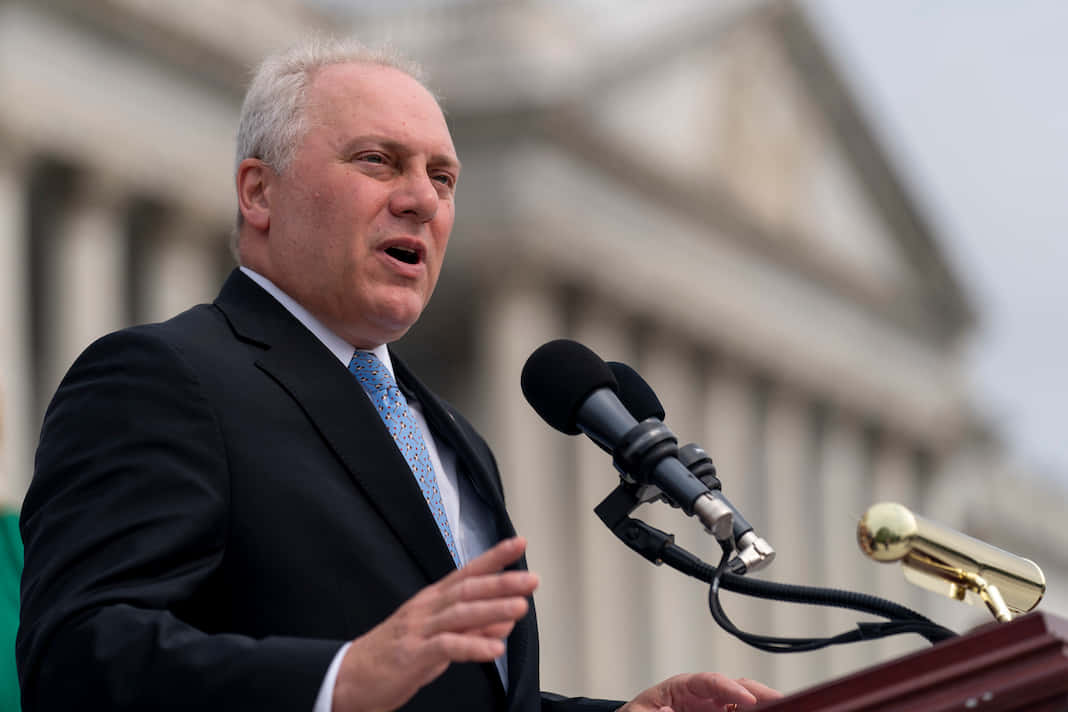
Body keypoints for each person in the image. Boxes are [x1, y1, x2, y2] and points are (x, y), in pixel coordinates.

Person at [17, 38, 780, 712]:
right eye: (377, 161)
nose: (421, 200)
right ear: (259, 192)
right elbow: (79, 658)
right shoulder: (162, 379)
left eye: (443, 178)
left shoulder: (453, 437)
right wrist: (336, 681)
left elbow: (451, 694)